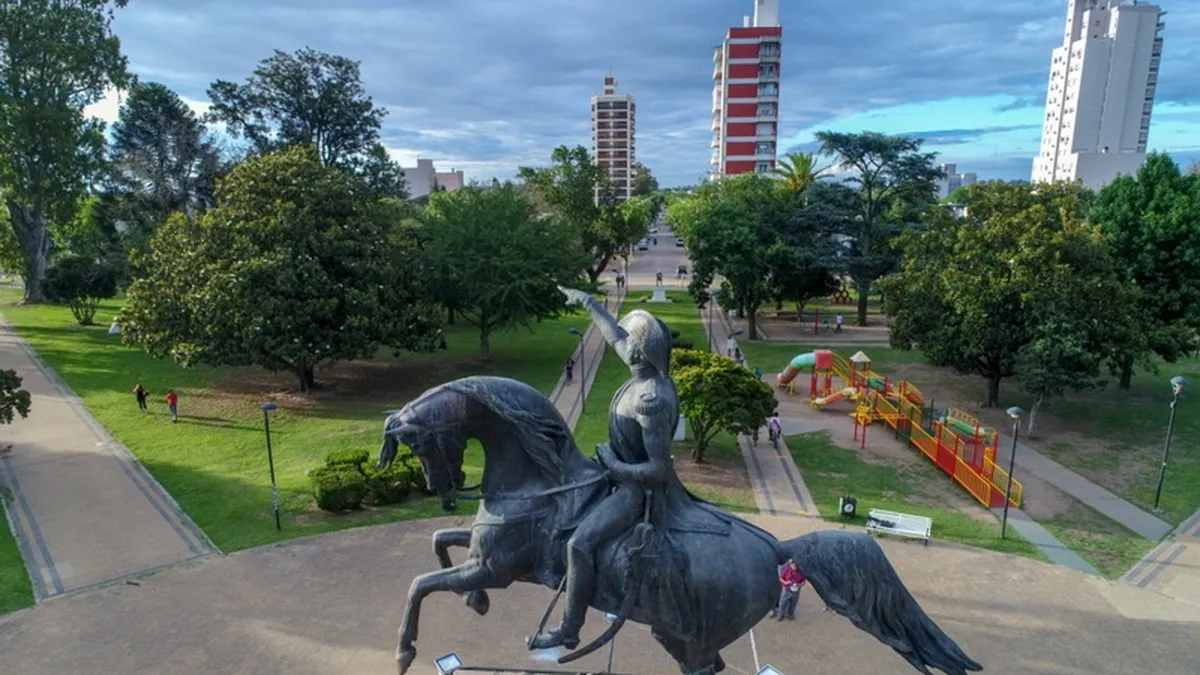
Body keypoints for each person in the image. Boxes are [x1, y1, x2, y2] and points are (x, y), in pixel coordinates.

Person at [530, 287, 683, 650]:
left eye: (630, 339)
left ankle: (570, 628)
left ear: (641, 350)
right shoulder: (642, 372)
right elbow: (613, 334)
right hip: (613, 473)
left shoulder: (652, 400)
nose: (622, 342)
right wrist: (588, 302)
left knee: (579, 545)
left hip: (636, 490)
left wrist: (613, 464)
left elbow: (658, 470)